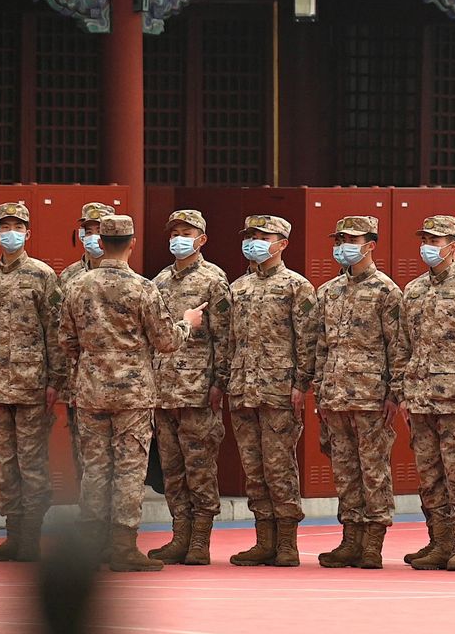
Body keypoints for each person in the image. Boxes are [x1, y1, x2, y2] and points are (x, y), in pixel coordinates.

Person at [59, 215, 206, 572]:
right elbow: (166, 341)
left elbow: (65, 340)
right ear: (132, 243)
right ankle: (123, 546)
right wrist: (188, 322)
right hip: (133, 395)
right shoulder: (143, 288)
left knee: (94, 469)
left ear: (101, 243)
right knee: (128, 469)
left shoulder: (77, 286)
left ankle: (92, 545)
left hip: (91, 391)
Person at [312, 216, 406, 570]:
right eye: (339, 239)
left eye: (351, 239)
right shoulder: (328, 292)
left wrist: (394, 394)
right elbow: (321, 346)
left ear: (370, 244)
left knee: (374, 470)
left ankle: (373, 542)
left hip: (371, 398)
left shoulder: (386, 292)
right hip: (336, 397)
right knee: (345, 471)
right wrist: (319, 390)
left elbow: (398, 347)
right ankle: (350, 539)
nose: (343, 245)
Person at [0, 202, 66, 562]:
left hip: (32, 386)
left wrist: (54, 381)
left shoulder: (43, 276)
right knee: (6, 462)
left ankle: (31, 536)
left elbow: (55, 331)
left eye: (18, 226)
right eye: (4, 226)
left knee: (32, 463)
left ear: (28, 233)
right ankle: (12, 534)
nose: (10, 232)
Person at [399, 215, 455, 571]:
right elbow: (405, 345)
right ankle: (438, 541)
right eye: (425, 239)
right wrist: (405, 393)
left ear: (453, 246)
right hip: (420, 398)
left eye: (435, 241)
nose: (428, 246)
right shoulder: (414, 290)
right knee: (429, 474)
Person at [227, 215, 318, 567]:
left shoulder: (297, 287)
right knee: (254, 469)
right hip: (244, 388)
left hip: (279, 391)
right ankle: (263, 538)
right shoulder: (238, 287)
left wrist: (300, 384)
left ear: (282, 243)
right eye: (251, 235)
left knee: (280, 467)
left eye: (263, 236)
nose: (255, 241)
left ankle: (286, 543)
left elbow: (307, 340)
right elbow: (229, 340)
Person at [146, 210, 232, 564]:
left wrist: (219, 382)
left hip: (198, 390)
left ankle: (200, 540)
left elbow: (225, 337)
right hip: (165, 391)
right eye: (174, 232)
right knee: (172, 469)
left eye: (186, 232)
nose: (178, 237)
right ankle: (179, 534)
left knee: (200, 466)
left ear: (202, 239)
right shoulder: (159, 281)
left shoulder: (214, 280)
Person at [58, 202, 116, 490]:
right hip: (79, 385)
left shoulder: (125, 276)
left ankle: (115, 529)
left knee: (118, 462)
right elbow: (61, 334)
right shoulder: (68, 277)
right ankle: (90, 528)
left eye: (99, 230)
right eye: (87, 230)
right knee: (85, 460)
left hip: (119, 385)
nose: (92, 235)